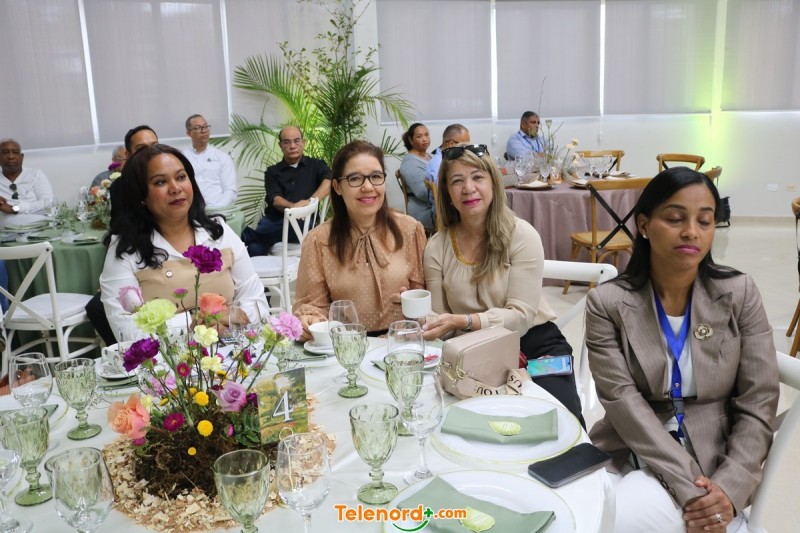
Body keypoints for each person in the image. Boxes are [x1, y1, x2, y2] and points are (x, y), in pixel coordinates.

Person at [585, 167, 778, 533]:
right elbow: (622, 401)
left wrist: (728, 488)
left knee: (616, 520)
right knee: (586, 514)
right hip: (633, 443)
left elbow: (759, 400)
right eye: (675, 218)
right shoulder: (608, 303)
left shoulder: (738, 293)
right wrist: (691, 490)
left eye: (705, 221)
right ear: (644, 224)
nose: (692, 232)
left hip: (713, 454)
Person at [422, 143, 584, 424]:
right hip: (472, 354)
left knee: (561, 422)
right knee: (466, 427)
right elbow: (439, 318)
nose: (468, 188)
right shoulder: (437, 246)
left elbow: (520, 317)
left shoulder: (521, 235)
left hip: (536, 349)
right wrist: (422, 319)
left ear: (494, 184)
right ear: (446, 192)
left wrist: (464, 321)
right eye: (457, 181)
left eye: (477, 177)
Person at [99, 144, 266, 341]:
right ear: (140, 194)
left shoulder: (218, 232)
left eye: (181, 177)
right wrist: (196, 321)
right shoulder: (125, 249)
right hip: (166, 359)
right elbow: (125, 331)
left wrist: (232, 317)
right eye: (160, 182)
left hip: (232, 349)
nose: (175, 188)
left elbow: (258, 304)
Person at [293, 140, 426, 339]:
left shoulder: (409, 230)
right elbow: (314, 306)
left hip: (402, 343)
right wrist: (310, 321)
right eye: (355, 179)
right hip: (346, 346)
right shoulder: (319, 240)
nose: (368, 187)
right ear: (337, 186)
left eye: (376, 177)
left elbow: (422, 294)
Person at [85, 126, 160, 346]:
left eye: (154, 146)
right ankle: (128, 354)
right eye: (142, 148)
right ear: (128, 154)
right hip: (137, 256)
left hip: (168, 258)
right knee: (97, 307)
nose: (150, 152)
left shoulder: (172, 177)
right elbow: (120, 231)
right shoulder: (121, 186)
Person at [243, 126, 331, 256]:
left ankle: (247, 236)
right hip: (275, 219)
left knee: (300, 225)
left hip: (304, 219)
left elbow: (329, 181)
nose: (293, 146)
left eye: (297, 141)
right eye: (287, 142)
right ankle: (254, 240)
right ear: (280, 145)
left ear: (303, 142)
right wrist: (293, 207)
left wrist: (309, 202)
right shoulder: (272, 172)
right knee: (254, 248)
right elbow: (275, 199)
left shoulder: (316, 165)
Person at [182, 114, 237, 208]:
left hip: (218, 209)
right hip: (191, 210)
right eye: (198, 128)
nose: (203, 131)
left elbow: (230, 190)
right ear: (188, 133)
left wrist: (217, 208)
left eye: (205, 126)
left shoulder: (222, 157)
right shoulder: (182, 158)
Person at [0, 139, 55, 215]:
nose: (11, 157)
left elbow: (49, 203)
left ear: (22, 157)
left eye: (15, 152)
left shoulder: (35, 174)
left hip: (36, 222)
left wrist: (15, 208)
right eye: (5, 152)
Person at [398, 123, 434, 228]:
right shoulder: (410, 163)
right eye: (419, 136)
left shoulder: (433, 156)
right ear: (410, 140)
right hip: (425, 212)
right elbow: (423, 193)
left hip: (438, 206)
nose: (424, 139)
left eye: (426, 135)